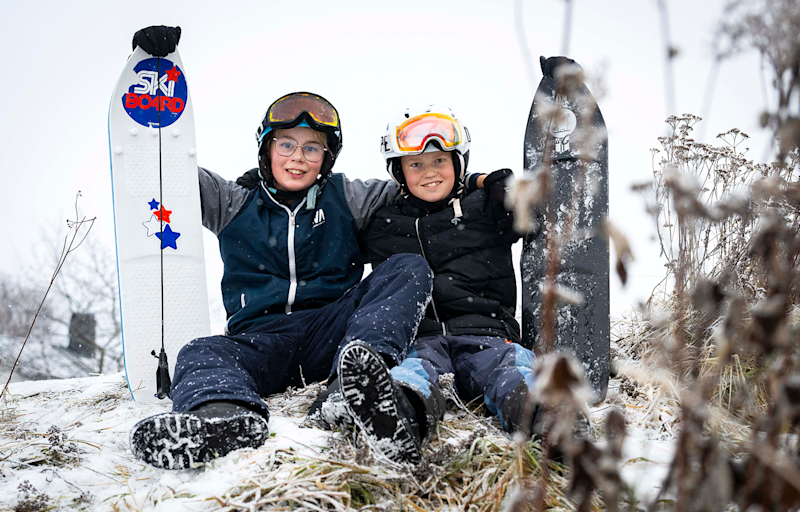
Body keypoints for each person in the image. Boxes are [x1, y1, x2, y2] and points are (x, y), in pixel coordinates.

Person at [126, 26, 435, 470]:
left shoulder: (348, 196)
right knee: (199, 350)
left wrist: (482, 185)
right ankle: (225, 417)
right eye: (286, 144)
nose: (297, 157)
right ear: (266, 149)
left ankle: (356, 390)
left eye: (312, 148)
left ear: (326, 159)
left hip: (335, 333)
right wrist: (153, 74)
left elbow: (419, 183)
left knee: (407, 267)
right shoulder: (233, 201)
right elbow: (166, 167)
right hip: (261, 342)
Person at [309, 105, 543, 465]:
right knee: (409, 375)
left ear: (458, 163)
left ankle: (549, 422)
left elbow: (534, 213)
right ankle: (398, 422)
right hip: (421, 338)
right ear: (398, 172)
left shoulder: (484, 208)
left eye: (439, 161)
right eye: (415, 164)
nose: (429, 172)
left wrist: (497, 182)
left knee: (511, 370)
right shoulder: (383, 223)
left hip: (488, 333)